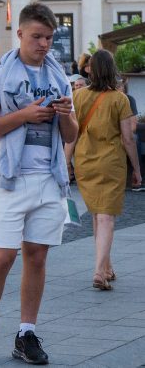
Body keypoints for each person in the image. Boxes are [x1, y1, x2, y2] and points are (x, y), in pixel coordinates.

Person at [0, 3, 77, 366]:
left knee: (37, 257)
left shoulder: (59, 77)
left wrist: (63, 115)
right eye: (38, 37)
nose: (44, 44)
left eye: (49, 38)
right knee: (2, 257)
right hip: (9, 178)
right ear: (21, 34)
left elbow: (73, 132)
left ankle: (26, 332)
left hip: (48, 178)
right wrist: (24, 115)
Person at [64, 50, 142, 290]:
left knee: (98, 215)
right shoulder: (120, 99)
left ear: (91, 70)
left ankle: (106, 266)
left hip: (85, 162)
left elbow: (72, 135)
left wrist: (66, 163)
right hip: (111, 162)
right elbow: (128, 139)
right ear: (112, 70)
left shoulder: (77, 96)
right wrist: (137, 169)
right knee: (106, 216)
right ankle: (99, 271)